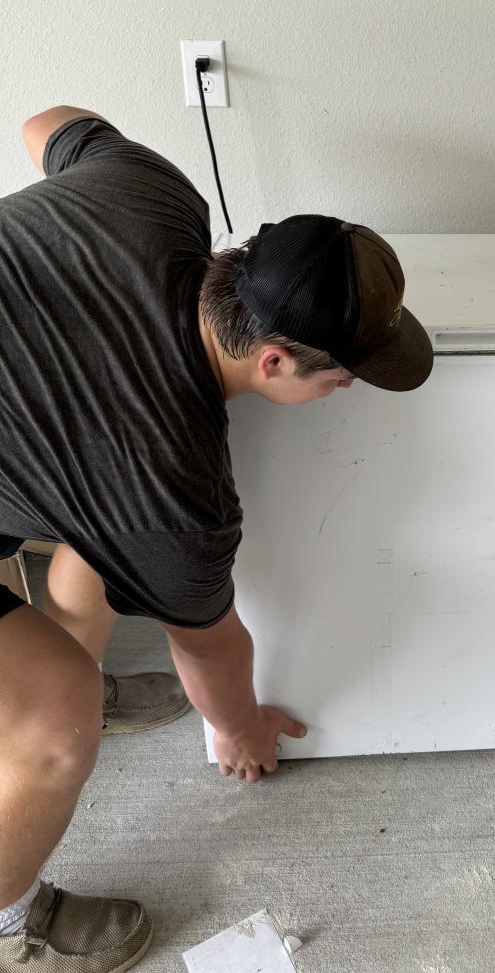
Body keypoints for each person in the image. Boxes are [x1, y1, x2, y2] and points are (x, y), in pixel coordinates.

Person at [0, 106, 433, 970]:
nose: (347, 389)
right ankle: (10, 925)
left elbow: (50, 123)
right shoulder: (173, 484)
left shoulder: (152, 191)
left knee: (105, 540)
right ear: (274, 361)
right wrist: (240, 729)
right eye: (342, 375)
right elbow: (210, 647)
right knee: (57, 721)